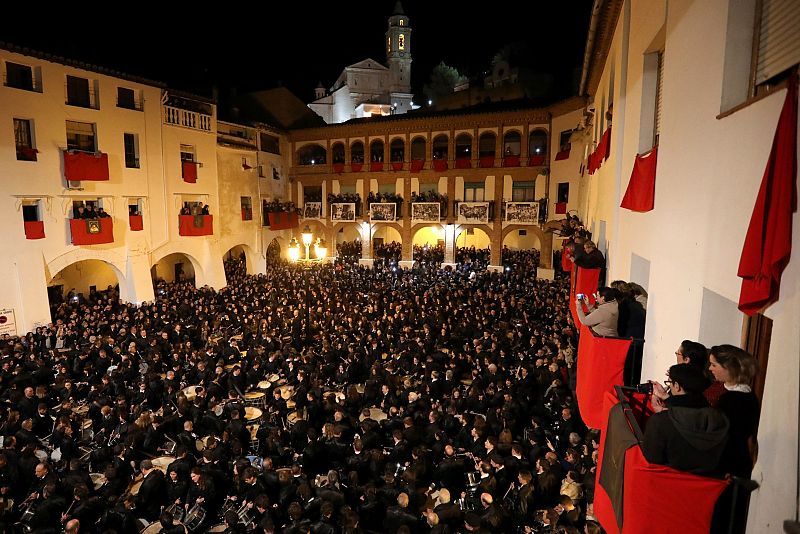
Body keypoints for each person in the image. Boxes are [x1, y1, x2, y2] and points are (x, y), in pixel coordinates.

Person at [643, 364, 729, 475]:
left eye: (669, 383)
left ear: (677, 386)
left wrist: (663, 414)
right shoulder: (719, 418)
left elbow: (651, 461)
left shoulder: (660, 422)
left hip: (672, 485)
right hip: (709, 487)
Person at [708, 345, 760, 478]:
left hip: (728, 466)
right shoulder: (720, 389)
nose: (710, 368)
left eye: (714, 365)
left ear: (728, 367)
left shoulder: (736, 400)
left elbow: (730, 437)